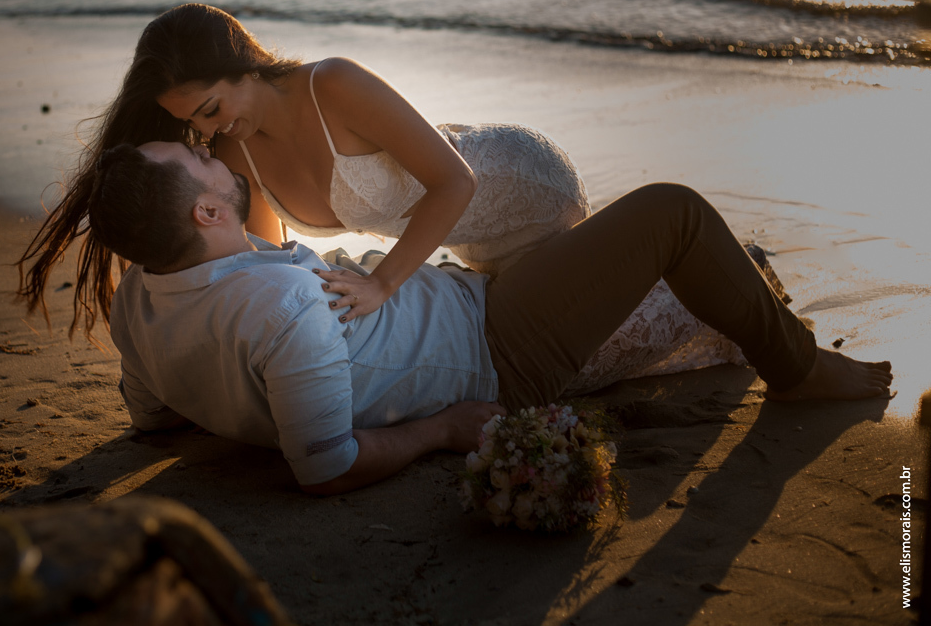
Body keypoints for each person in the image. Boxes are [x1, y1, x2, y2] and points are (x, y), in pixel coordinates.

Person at [17, 4, 756, 393]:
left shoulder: (329, 83)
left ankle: (721, 269)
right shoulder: (234, 152)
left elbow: (456, 181)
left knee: (578, 357)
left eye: (209, 108)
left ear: (240, 65)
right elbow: (268, 259)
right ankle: (683, 272)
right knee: (568, 342)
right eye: (191, 124)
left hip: (519, 188)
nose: (207, 132)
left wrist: (381, 282)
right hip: (467, 244)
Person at [86, 140, 892, 494]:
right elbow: (323, 467)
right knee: (671, 213)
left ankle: (744, 313)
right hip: (495, 345)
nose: (215, 155)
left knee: (618, 248)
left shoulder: (140, 297)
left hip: (466, 306)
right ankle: (796, 368)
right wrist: (439, 431)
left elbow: (152, 416)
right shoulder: (281, 306)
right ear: (203, 212)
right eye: (199, 159)